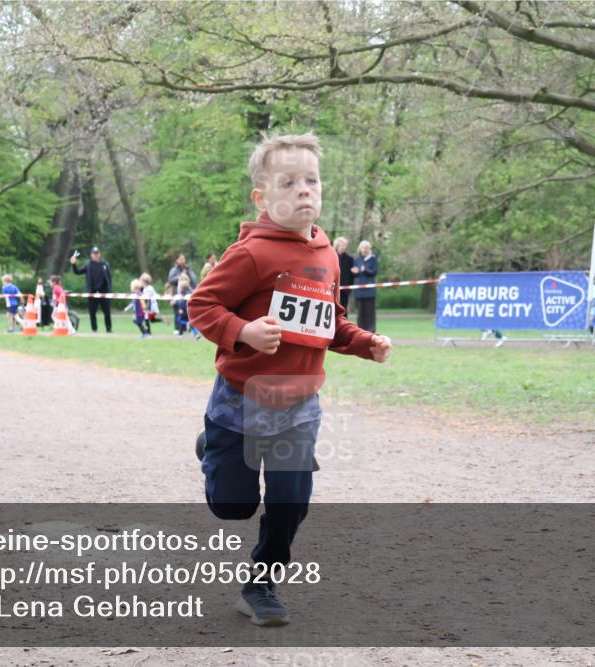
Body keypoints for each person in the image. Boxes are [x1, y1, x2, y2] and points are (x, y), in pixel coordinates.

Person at [188, 132, 392, 627]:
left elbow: (328, 322)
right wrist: (243, 332)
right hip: (240, 402)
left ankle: (261, 584)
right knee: (233, 506)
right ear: (261, 198)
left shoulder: (328, 255)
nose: (304, 190)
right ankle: (213, 446)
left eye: (311, 181)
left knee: (290, 501)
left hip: (299, 405)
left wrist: (363, 342)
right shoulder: (250, 254)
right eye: (288, 182)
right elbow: (201, 305)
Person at [70, 247, 113, 333]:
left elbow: (109, 277)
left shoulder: (104, 264)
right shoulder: (88, 265)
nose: (96, 255)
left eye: (97, 253)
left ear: (99, 254)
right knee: (92, 312)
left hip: (103, 292)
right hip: (92, 293)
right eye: (94, 254)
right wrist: (74, 264)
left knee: (107, 312)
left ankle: (108, 329)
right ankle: (94, 329)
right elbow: (77, 272)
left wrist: (109, 289)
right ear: (91, 255)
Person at [351, 240, 378, 333]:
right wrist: (355, 272)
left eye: (367, 248)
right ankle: (361, 332)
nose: (365, 250)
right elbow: (355, 274)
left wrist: (365, 269)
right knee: (360, 314)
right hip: (359, 291)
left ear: (369, 249)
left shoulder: (373, 259)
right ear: (360, 248)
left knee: (370, 313)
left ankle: (371, 332)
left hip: (369, 292)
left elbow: (374, 272)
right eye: (363, 248)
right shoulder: (357, 260)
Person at [173, 273, 201, 339]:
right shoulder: (181, 291)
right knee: (182, 320)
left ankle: (192, 332)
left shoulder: (188, 290)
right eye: (181, 279)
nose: (181, 281)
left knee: (189, 321)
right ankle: (183, 332)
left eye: (183, 279)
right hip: (184, 309)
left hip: (188, 309)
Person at [333, 237, 354, 311]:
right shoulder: (331, 256)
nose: (344, 247)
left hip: (345, 288)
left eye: (345, 245)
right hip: (333, 287)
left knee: (344, 309)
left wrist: (355, 273)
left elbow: (352, 275)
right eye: (342, 245)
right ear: (337, 245)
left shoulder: (350, 259)